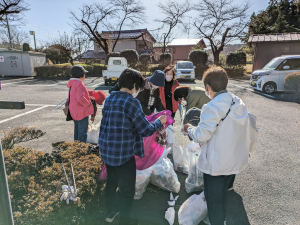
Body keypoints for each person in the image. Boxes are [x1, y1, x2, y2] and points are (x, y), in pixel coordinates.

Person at [99, 68, 167, 225]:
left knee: (112, 182)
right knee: (127, 190)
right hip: (123, 154)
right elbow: (145, 129)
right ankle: (125, 220)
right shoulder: (132, 102)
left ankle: (110, 213)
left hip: (107, 151)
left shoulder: (110, 99)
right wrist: (160, 121)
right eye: (139, 87)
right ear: (135, 85)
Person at [183, 67, 250, 225]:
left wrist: (189, 129)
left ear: (207, 87)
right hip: (233, 160)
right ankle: (222, 219)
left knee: (213, 200)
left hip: (216, 163)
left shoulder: (211, 107)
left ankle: (217, 221)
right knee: (223, 195)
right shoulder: (238, 102)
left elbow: (201, 135)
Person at [67, 65, 94, 143]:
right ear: (81, 74)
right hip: (81, 112)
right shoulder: (80, 83)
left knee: (77, 130)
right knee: (83, 132)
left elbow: (74, 96)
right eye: (84, 73)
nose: (85, 75)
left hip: (73, 111)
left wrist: (88, 97)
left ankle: (76, 148)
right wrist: (88, 103)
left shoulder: (72, 83)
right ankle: (82, 151)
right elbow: (79, 98)